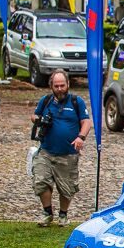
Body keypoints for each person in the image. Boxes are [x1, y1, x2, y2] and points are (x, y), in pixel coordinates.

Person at [31, 69, 92, 226]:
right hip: (46, 150)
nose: (59, 89)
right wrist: (38, 119)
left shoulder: (76, 102)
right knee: (41, 180)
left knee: (66, 187)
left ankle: (63, 214)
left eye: (62, 85)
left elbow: (86, 122)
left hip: (68, 153)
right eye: (56, 86)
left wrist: (81, 137)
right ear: (51, 86)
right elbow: (34, 115)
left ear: (68, 84)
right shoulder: (45, 101)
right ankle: (47, 213)